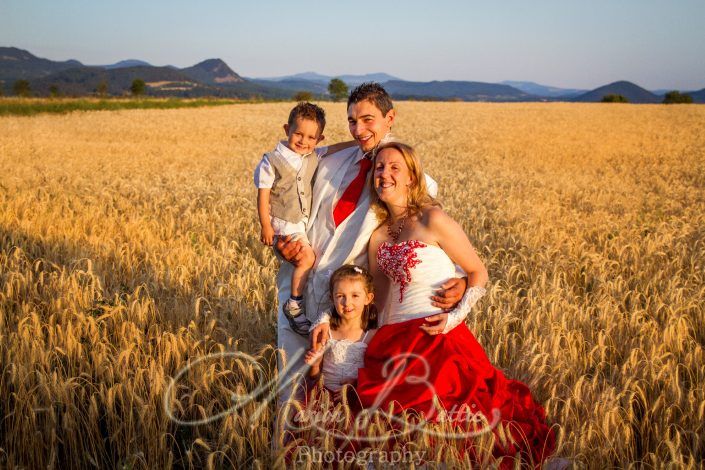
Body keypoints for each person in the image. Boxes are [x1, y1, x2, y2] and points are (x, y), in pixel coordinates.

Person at [354, 141, 556, 466]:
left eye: (394, 168)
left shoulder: (432, 219)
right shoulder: (378, 235)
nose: (384, 174)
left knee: (451, 422)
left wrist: (453, 318)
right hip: (393, 344)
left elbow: (478, 272)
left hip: (436, 336)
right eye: (379, 167)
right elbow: (380, 298)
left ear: (411, 177)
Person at [275, 83, 468, 404]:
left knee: (349, 405)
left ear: (389, 118)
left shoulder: (404, 177)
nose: (359, 129)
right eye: (352, 121)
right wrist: (281, 243)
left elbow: (429, 239)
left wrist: (461, 278)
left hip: (350, 315)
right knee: (294, 398)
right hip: (299, 294)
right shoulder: (327, 161)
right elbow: (288, 206)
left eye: (368, 120)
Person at [254, 102, 355, 335]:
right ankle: (295, 305)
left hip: (299, 225)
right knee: (307, 258)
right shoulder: (272, 160)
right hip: (282, 223)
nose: (303, 141)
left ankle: (299, 304)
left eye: (311, 137)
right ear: (286, 129)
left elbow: (334, 149)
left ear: (319, 139)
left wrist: (357, 142)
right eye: (298, 133)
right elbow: (263, 194)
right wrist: (266, 226)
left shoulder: (313, 154)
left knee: (307, 260)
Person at [304, 265, 378, 398]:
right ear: (332, 298)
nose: (347, 302)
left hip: (355, 402)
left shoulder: (372, 335)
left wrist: (357, 384)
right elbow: (312, 379)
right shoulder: (324, 333)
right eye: (340, 296)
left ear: (368, 298)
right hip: (324, 401)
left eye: (355, 295)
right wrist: (314, 366)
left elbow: (375, 375)